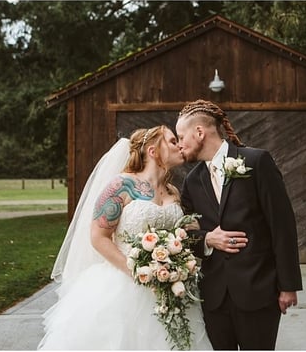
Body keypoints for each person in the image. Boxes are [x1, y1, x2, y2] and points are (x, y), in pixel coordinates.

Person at [40, 127, 211, 350]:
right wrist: (138, 272)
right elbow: (98, 237)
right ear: (153, 151)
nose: (179, 145)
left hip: (169, 285)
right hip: (124, 284)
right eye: (172, 141)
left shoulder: (172, 192)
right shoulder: (121, 186)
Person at [176, 100, 302, 350]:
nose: (179, 144)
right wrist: (207, 239)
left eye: (181, 136)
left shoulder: (256, 161)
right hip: (214, 297)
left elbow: (282, 225)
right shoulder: (192, 181)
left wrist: (288, 286)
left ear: (199, 132)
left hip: (258, 291)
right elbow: (183, 235)